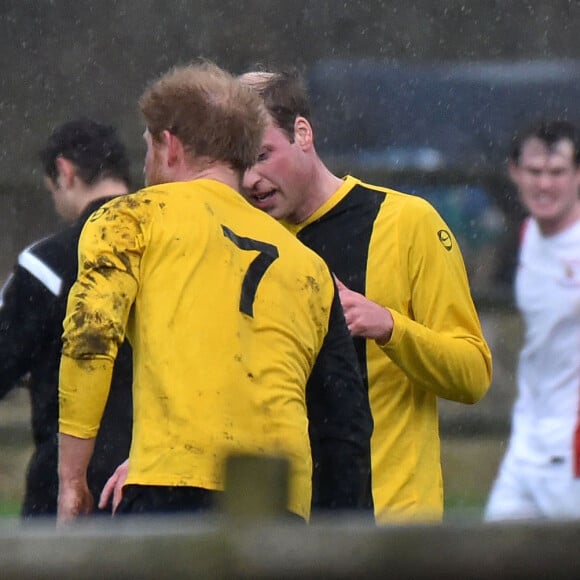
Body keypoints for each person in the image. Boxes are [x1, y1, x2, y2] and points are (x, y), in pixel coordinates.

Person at [57, 62, 372, 524]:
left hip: (172, 487)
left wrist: (71, 479)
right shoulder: (307, 264)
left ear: (170, 145)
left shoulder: (129, 219)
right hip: (277, 499)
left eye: (148, 147)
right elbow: (345, 422)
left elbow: (90, 341)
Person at [239, 68, 493, 524]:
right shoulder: (248, 244)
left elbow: (473, 375)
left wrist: (390, 327)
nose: (251, 179)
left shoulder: (406, 222)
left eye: (262, 155)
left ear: (302, 132)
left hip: (394, 528)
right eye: (240, 166)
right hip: (291, 528)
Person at [0, 118, 133, 517]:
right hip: (163, 479)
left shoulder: (47, 264)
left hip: (69, 487)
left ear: (65, 172)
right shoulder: (176, 246)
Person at [484, 120, 580, 521]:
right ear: (514, 172)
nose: (545, 185)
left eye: (557, 173)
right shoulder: (524, 238)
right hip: (526, 445)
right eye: (535, 172)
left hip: (572, 451)